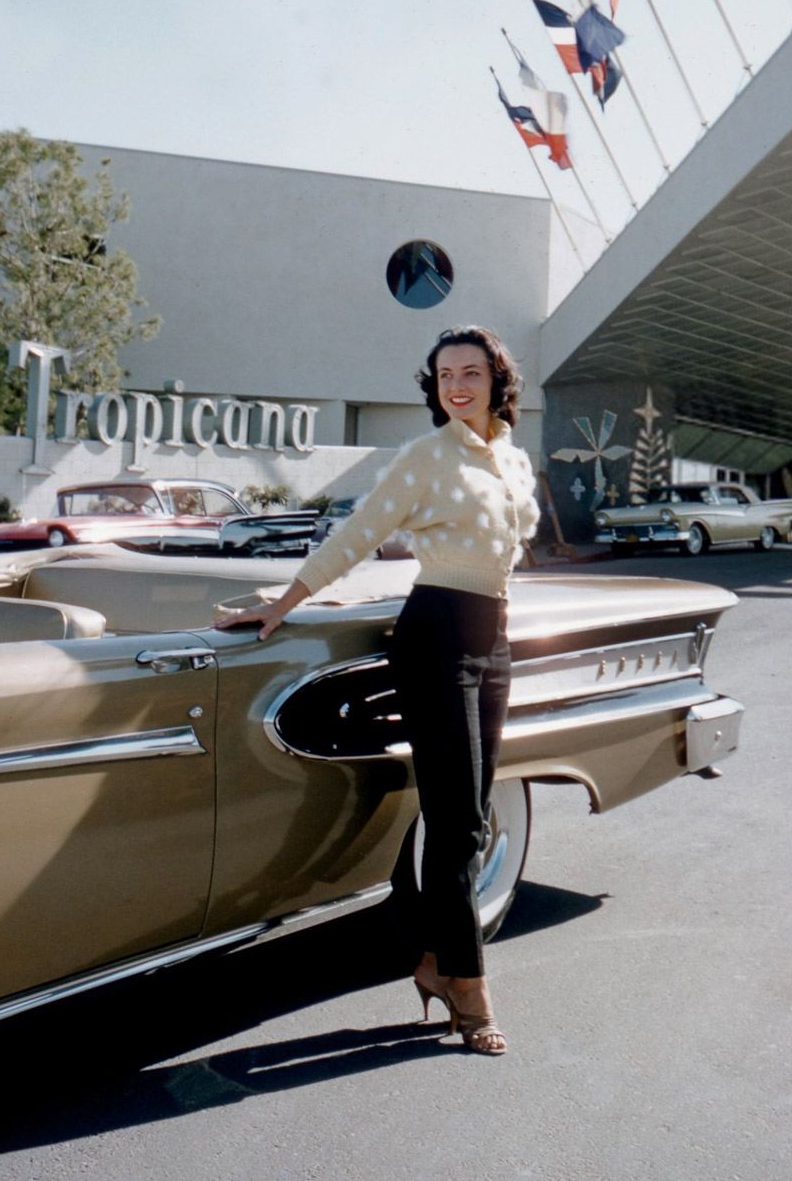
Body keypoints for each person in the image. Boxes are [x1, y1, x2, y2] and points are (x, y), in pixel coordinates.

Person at [214, 326, 539, 1054]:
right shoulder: (424, 459)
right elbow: (354, 535)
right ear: (433, 385)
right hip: (437, 637)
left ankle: (430, 957)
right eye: (444, 374)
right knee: (456, 824)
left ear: (496, 380)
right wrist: (281, 603)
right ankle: (469, 986)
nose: (457, 385)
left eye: (471, 373)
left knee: (474, 814)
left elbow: (510, 549)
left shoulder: (512, 457)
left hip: (494, 637)